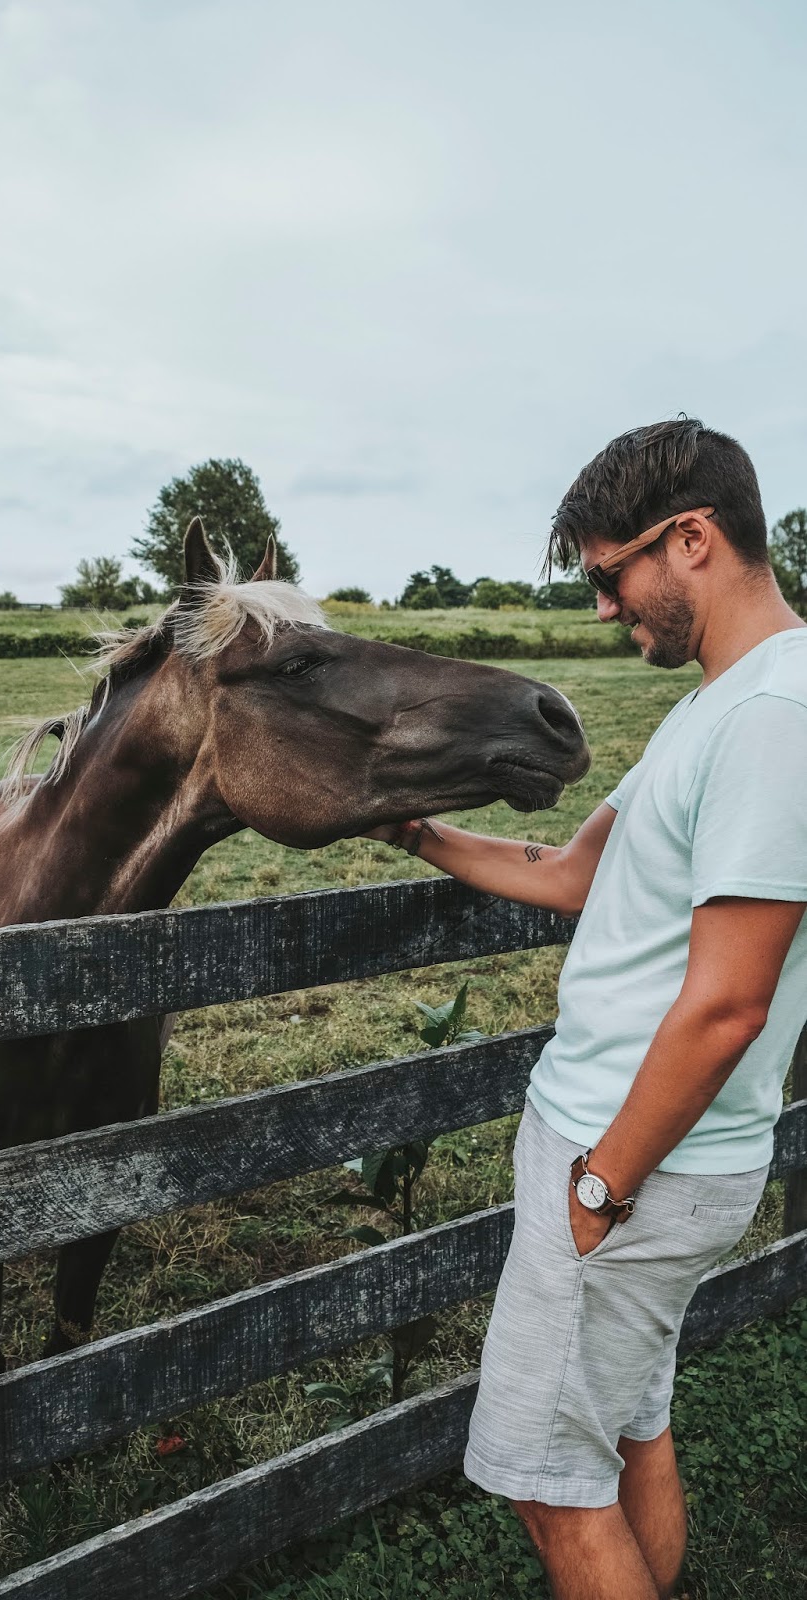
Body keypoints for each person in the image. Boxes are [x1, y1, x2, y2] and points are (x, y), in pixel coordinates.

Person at [367, 419, 807, 1600]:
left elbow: (726, 1003)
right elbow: (571, 872)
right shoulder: (715, 707)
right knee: (623, 1431)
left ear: (692, 539)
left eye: (611, 575)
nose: (607, 609)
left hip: (634, 1160)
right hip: (633, 1157)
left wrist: (599, 1185)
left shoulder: (773, 718)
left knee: (543, 1478)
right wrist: (415, 827)